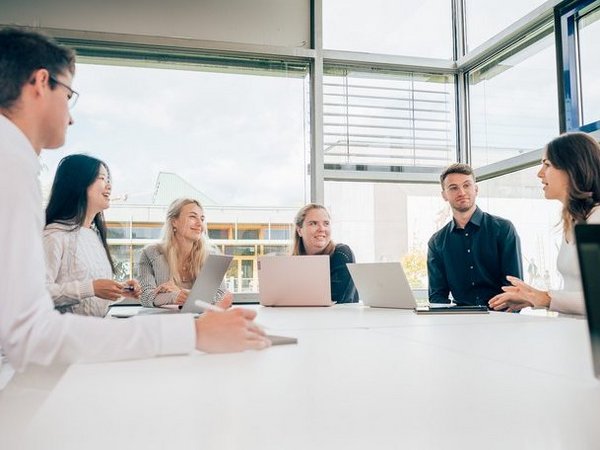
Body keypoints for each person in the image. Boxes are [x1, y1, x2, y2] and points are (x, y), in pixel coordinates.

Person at [0, 27, 269, 373]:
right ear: (40, 82)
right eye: (68, 95)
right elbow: (30, 334)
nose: (71, 115)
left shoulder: (15, 162)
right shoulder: (10, 163)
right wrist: (189, 333)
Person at [489, 132, 600, 314]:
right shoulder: (574, 222)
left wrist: (542, 297)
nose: (540, 174)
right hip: (573, 335)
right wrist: (532, 298)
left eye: (547, 165)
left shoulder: (597, 219)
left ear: (572, 168)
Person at [44, 154, 140, 316]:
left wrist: (120, 290)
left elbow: (92, 299)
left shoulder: (93, 237)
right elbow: (36, 293)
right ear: (78, 183)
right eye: (102, 178)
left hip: (94, 331)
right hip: (66, 336)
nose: (109, 186)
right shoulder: (53, 236)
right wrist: (91, 288)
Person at [427, 163, 523, 306]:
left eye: (467, 185)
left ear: (476, 189)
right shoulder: (437, 242)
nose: (462, 192)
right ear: (444, 195)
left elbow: (514, 287)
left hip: (501, 319)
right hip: (459, 321)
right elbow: (437, 295)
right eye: (453, 188)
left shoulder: (503, 229)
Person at [138, 198, 226, 308]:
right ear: (174, 222)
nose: (200, 224)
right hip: (164, 321)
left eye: (202, 219)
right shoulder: (150, 253)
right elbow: (146, 296)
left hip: (201, 321)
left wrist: (179, 291)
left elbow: (221, 297)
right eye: (192, 217)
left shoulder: (212, 256)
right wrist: (175, 296)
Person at [292, 203, 358, 303]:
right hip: (304, 317)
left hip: (339, 317)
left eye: (326, 223)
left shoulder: (342, 254)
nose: (322, 229)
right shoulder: (290, 265)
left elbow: (337, 299)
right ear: (299, 231)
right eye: (313, 223)